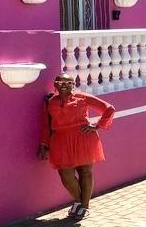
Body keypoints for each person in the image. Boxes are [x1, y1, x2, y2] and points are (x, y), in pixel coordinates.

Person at [39, 73, 115, 221]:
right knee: (66, 176)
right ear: (55, 85)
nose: (64, 85)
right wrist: (44, 144)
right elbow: (46, 125)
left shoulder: (82, 97)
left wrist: (97, 126)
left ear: (74, 85)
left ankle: (84, 206)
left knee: (85, 172)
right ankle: (80, 201)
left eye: (69, 83)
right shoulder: (50, 101)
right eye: (61, 82)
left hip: (83, 137)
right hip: (60, 140)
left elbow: (109, 108)